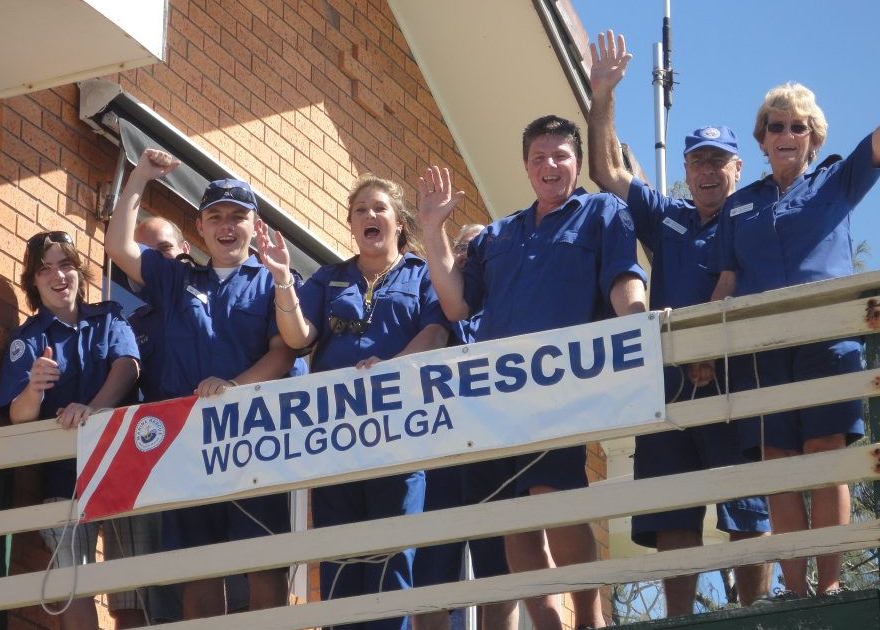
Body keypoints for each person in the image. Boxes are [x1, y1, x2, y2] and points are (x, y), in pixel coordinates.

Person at [710, 43, 880, 600]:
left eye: (798, 126)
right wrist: (702, 347)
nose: (786, 134)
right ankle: (794, 590)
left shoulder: (836, 182)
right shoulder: (739, 206)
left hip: (828, 342)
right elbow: (725, 283)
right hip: (762, 348)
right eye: (776, 125)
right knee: (779, 467)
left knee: (825, 458)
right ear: (762, 136)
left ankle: (829, 585)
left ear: (813, 136)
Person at [417, 115, 648, 630]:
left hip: (559, 384)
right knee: (511, 516)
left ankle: (589, 618)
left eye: (561, 155)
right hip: (498, 395)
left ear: (577, 163)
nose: (550, 165)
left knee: (554, 496)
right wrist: (432, 228)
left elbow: (622, 278)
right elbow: (456, 306)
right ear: (526, 166)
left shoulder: (600, 211)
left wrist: (638, 320)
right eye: (539, 156)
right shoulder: (498, 235)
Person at [587, 30, 771, 615]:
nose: (707, 171)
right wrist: (604, 94)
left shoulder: (754, 216)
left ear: (738, 167)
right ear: (686, 170)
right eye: (697, 161)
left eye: (718, 161)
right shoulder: (667, 215)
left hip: (736, 378)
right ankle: (679, 620)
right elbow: (606, 171)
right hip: (667, 388)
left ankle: (754, 617)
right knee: (671, 509)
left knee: (746, 507)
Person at [105, 149, 297, 619]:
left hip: (254, 438)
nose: (226, 225)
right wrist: (139, 179)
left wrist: (233, 385)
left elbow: (285, 350)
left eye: (237, 216)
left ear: (256, 226)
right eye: (215, 217)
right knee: (197, 567)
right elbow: (118, 247)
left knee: (263, 565)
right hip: (186, 443)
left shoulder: (273, 279)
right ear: (200, 229)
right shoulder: (175, 279)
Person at [256, 173, 450, 630]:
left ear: (399, 222)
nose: (369, 215)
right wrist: (283, 280)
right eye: (360, 209)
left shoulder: (421, 275)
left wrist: (391, 366)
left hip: (399, 432)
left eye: (379, 207)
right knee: (340, 556)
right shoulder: (329, 277)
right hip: (335, 436)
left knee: (391, 551)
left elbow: (436, 332)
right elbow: (298, 338)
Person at [0, 231, 140, 630]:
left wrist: (91, 410)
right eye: (45, 270)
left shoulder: (108, 317)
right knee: (73, 578)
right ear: (33, 282)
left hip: (122, 469)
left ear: (80, 271)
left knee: (130, 586)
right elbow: (18, 416)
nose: (58, 276)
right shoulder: (28, 339)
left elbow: (127, 367)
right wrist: (33, 387)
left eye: (66, 265)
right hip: (63, 476)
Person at [411, 223, 518, 630]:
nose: (471, 257)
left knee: (500, 572)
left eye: (481, 250)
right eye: (462, 248)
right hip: (439, 456)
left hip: (496, 451)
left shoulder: (509, 305)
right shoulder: (434, 303)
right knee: (432, 576)